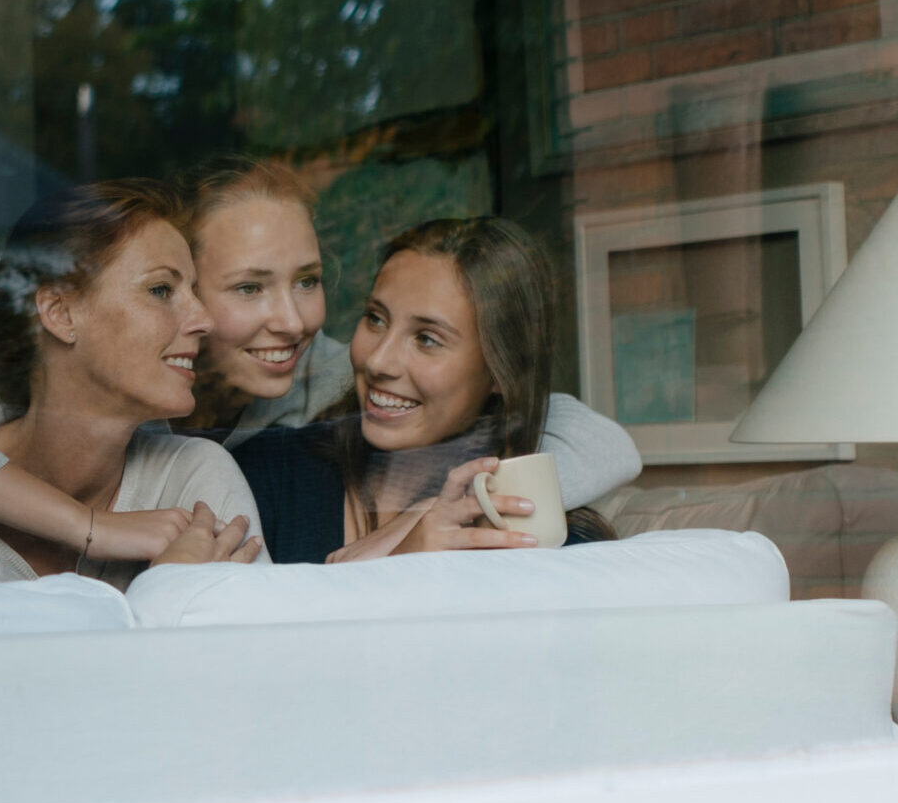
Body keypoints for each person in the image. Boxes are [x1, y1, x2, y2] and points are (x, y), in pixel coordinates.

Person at [0, 158, 642, 561]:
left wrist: (481, 516)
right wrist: (95, 529)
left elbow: (581, 431)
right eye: (246, 288)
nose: (290, 320)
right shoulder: (19, 395)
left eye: (312, 283)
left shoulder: (322, 380)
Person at [0, 179, 268, 589]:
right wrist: (167, 592)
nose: (203, 320)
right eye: (161, 289)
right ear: (60, 313)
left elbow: (247, 654)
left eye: (192, 292)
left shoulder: (194, 478)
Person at [233, 217, 623, 565]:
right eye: (375, 318)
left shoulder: (538, 538)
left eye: (427, 339)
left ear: (500, 373)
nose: (379, 361)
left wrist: (409, 547)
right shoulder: (266, 474)